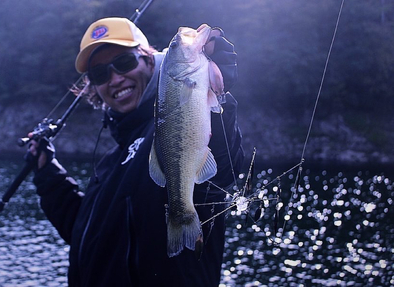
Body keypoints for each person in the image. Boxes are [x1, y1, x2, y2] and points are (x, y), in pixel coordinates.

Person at [27, 17, 244, 286]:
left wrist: (218, 94)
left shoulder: (164, 129)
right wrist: (47, 174)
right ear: (93, 86)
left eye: (125, 62)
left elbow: (220, 177)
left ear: (150, 60)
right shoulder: (109, 163)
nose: (115, 79)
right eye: (99, 74)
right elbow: (89, 235)